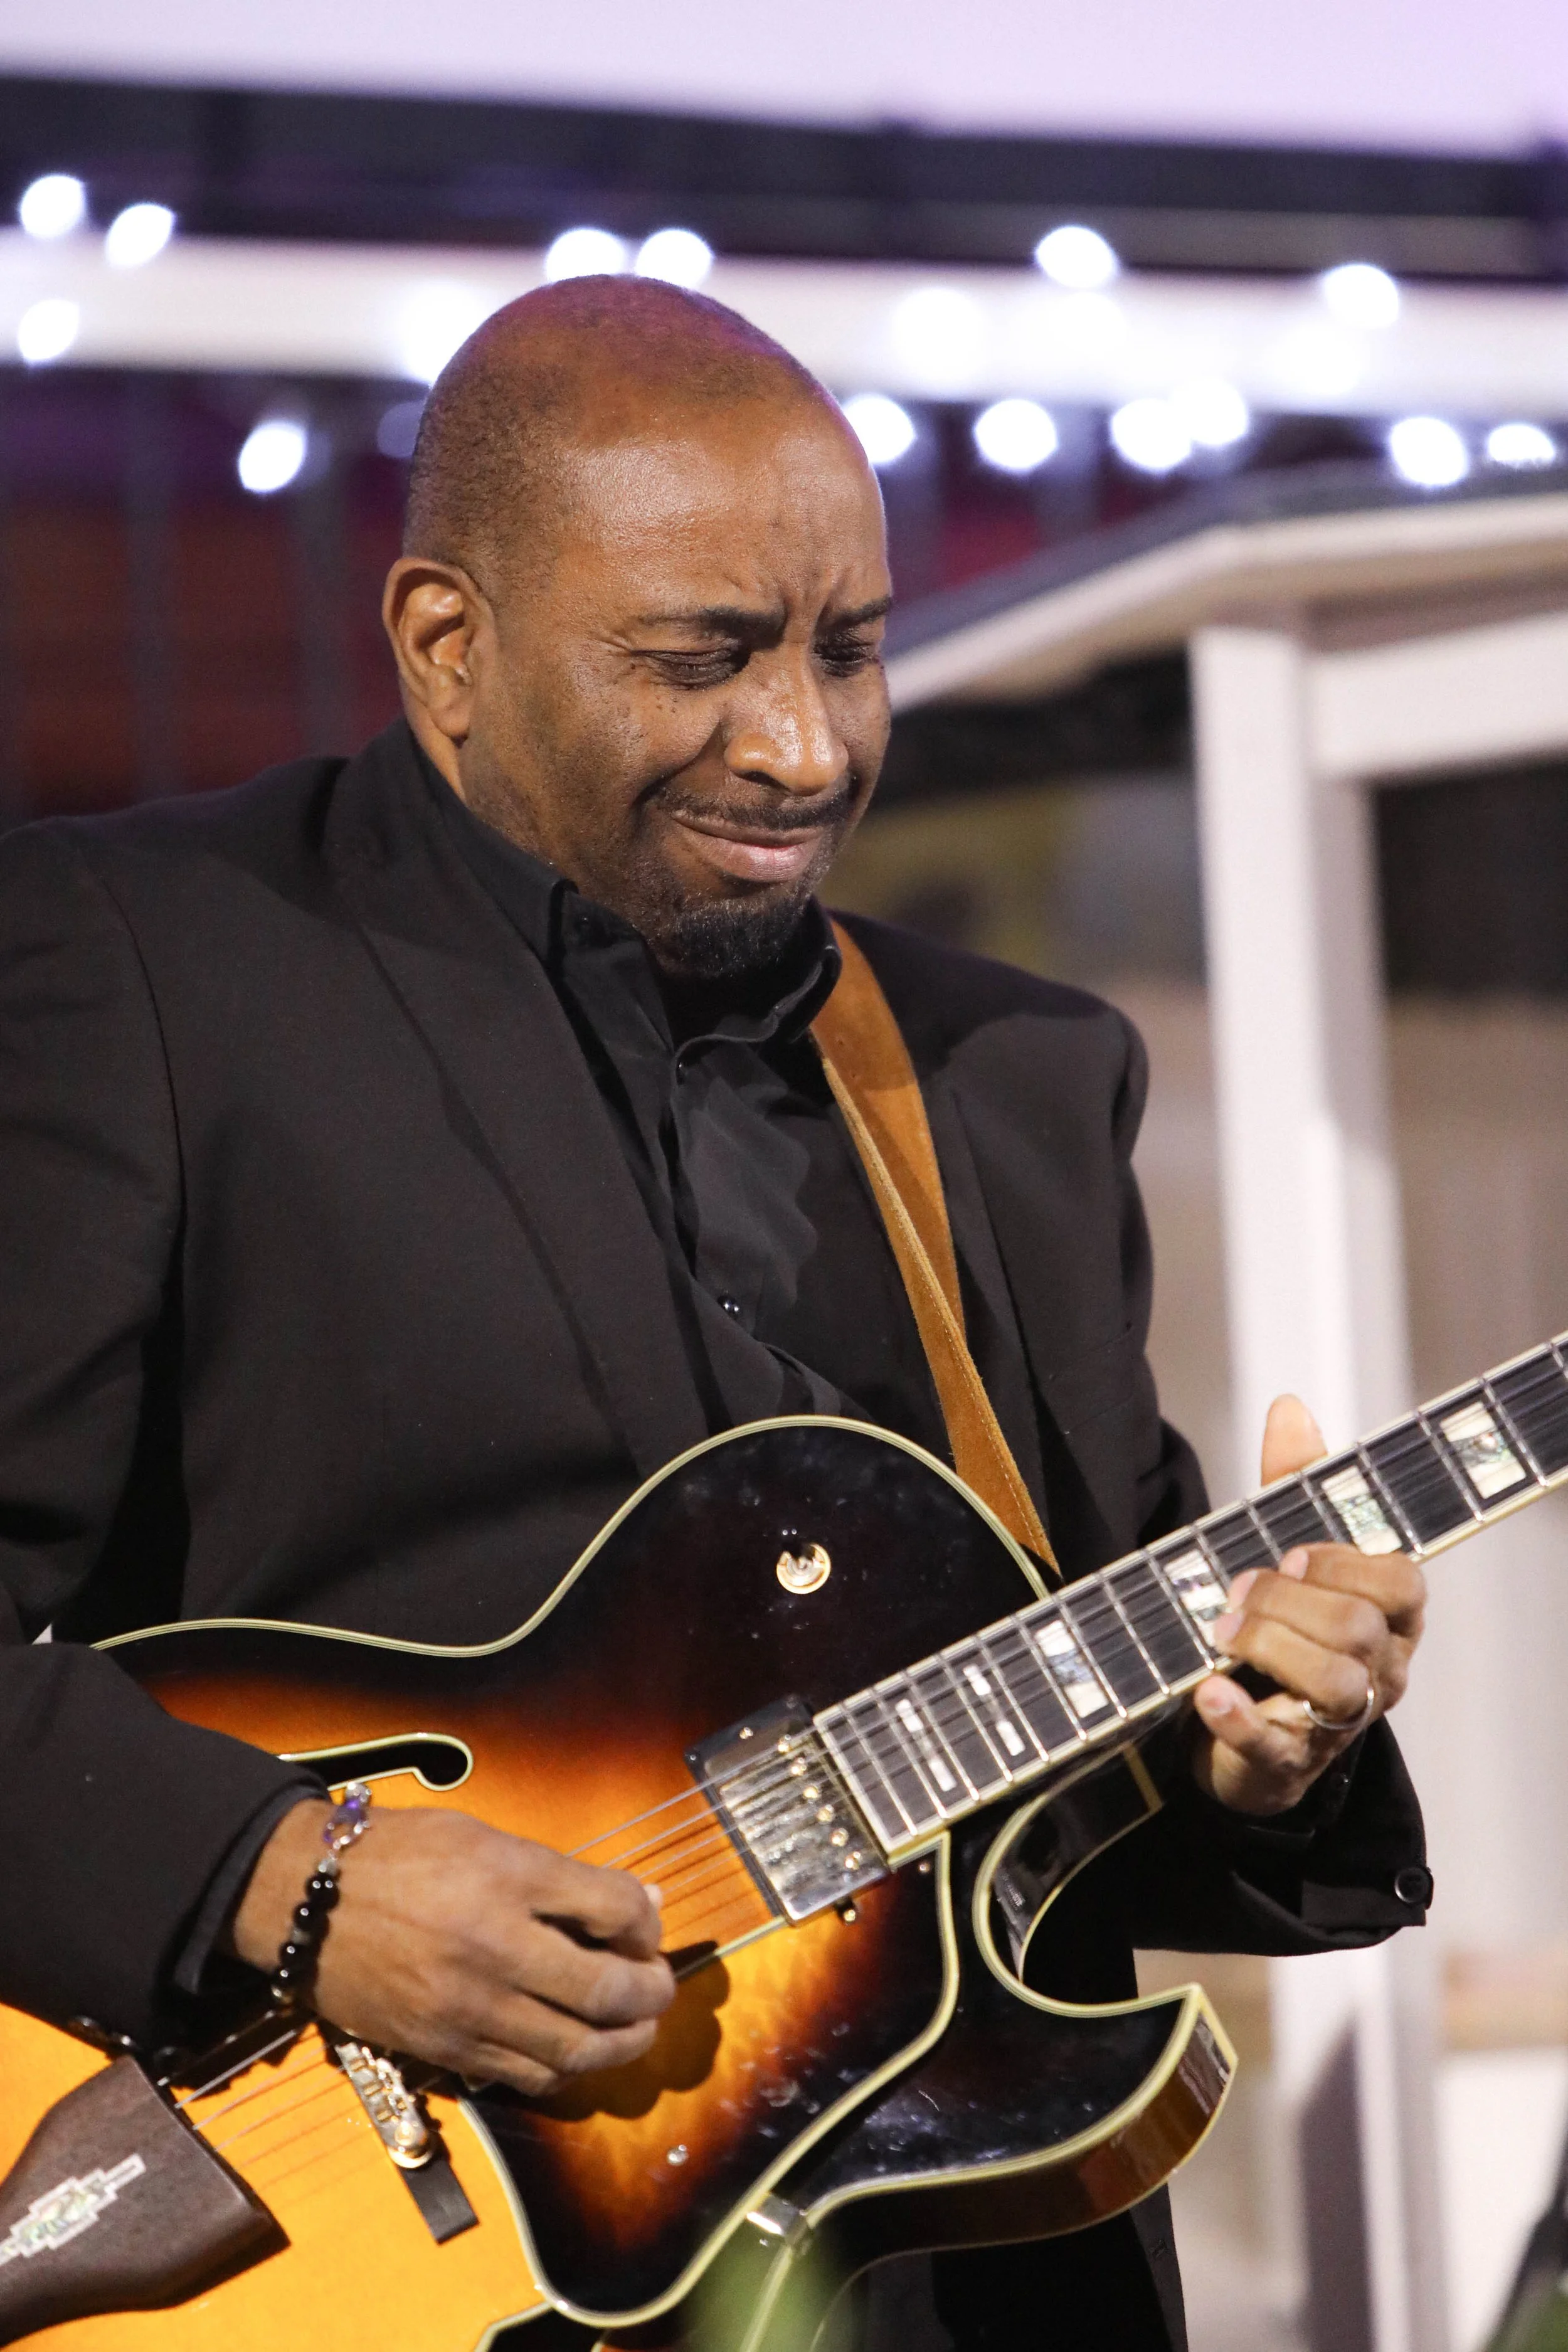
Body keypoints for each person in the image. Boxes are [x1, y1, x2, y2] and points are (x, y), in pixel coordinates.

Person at [0, 278, 1428, 2351]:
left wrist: (1263, 1744)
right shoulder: (135, 965)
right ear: (445, 646)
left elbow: (1077, 1757)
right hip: (355, 2258)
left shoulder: (1011, 1077)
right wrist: (283, 1881)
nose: (803, 740)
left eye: (848, 647)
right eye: (704, 659)